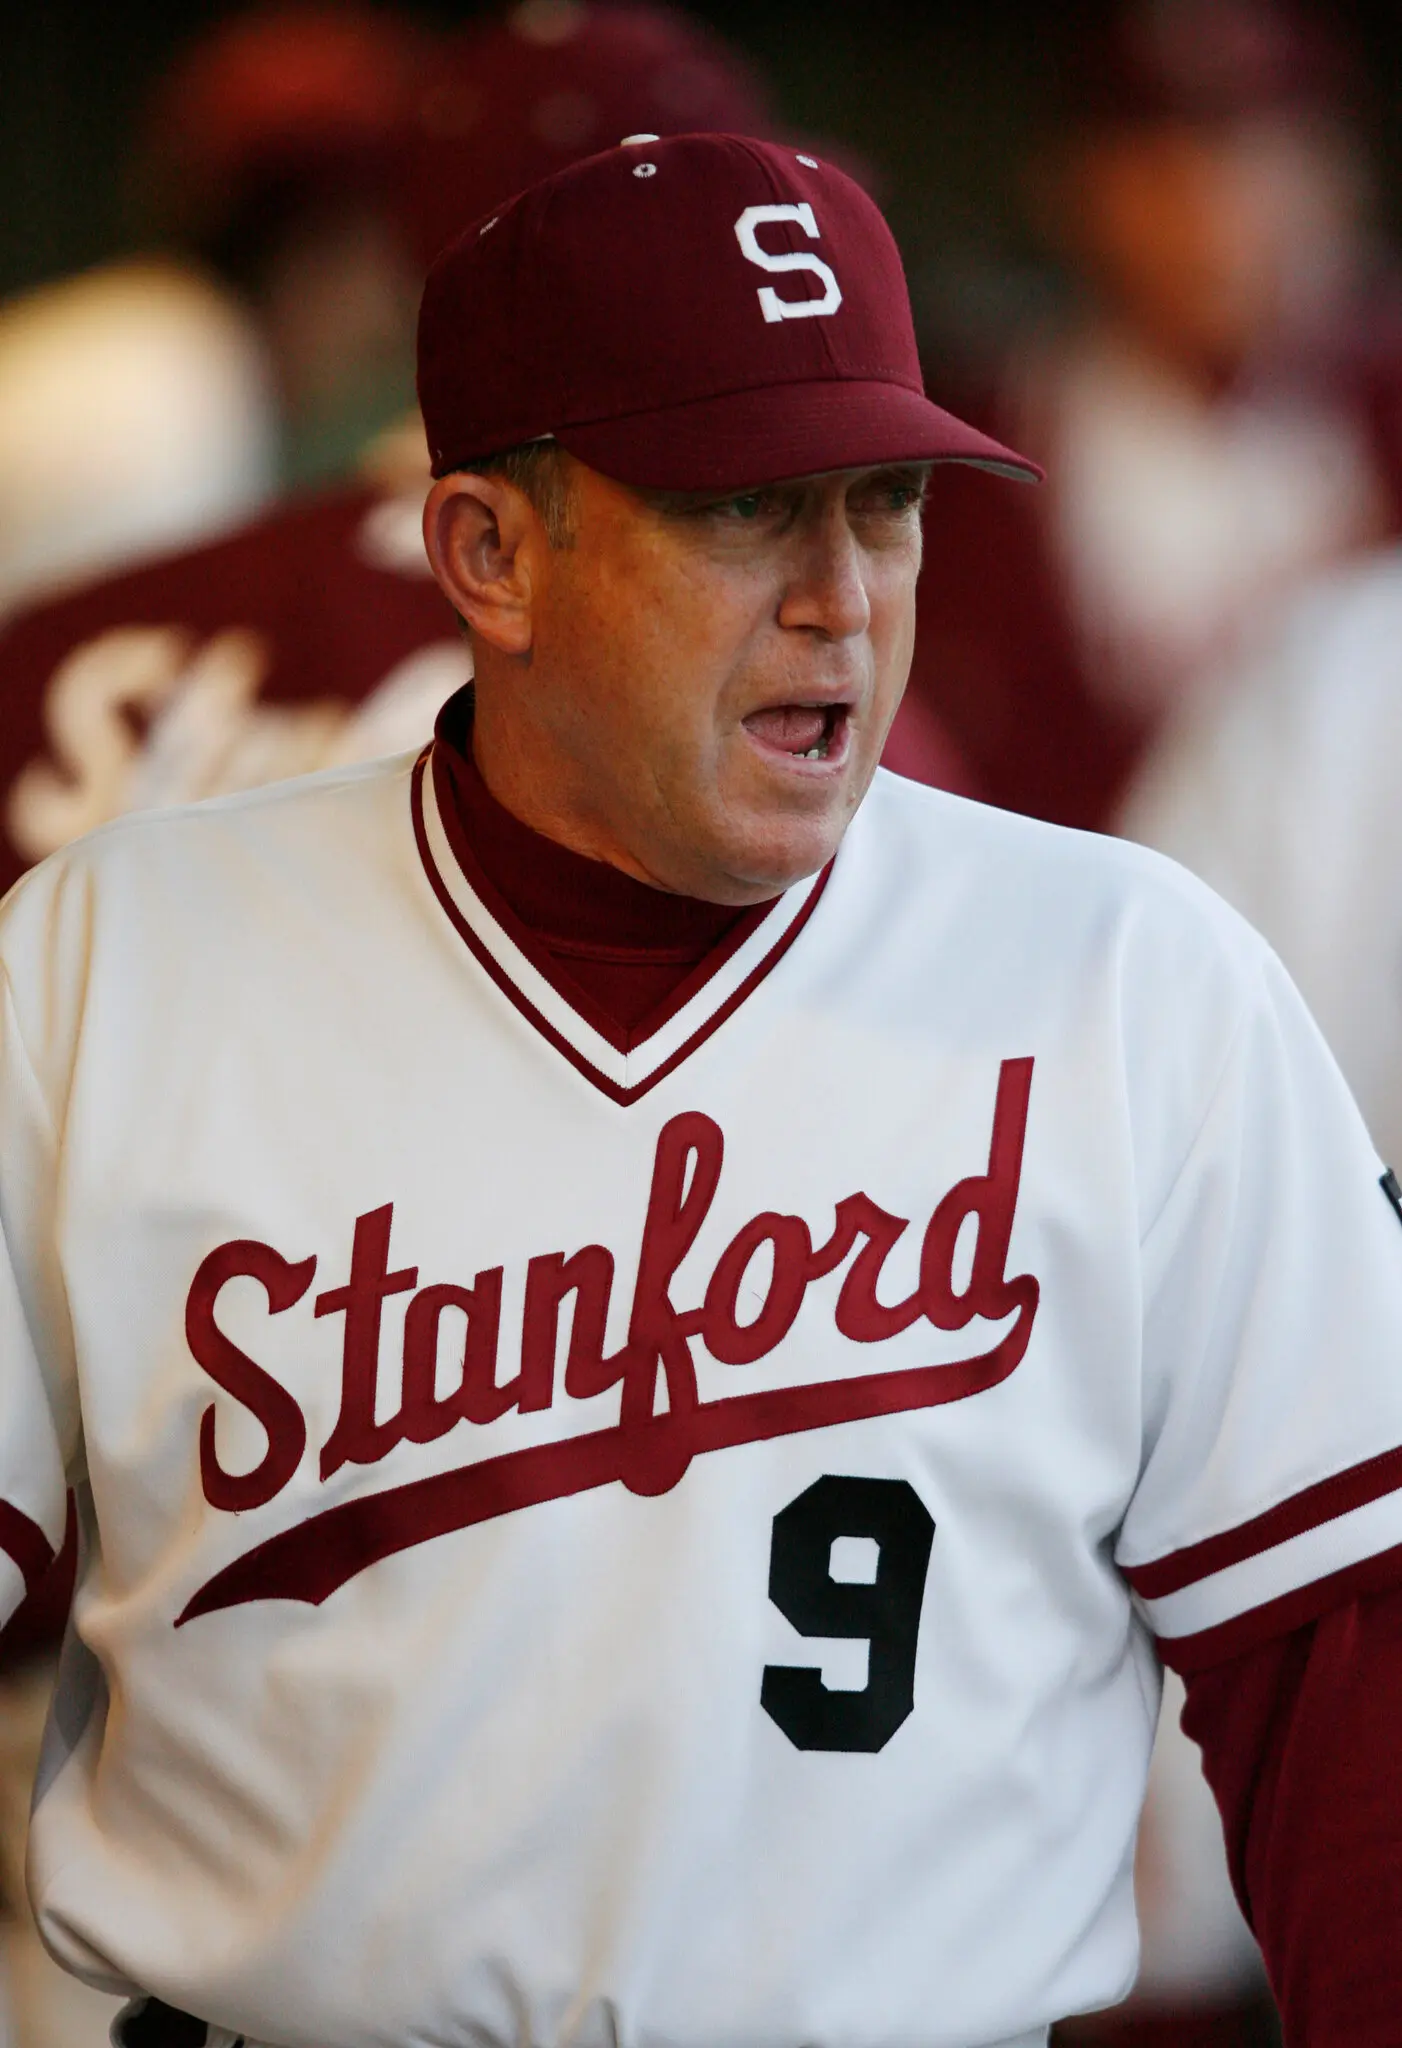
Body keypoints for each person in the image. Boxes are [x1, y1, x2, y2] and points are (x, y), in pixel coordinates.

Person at [2, 132, 1400, 2048]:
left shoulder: (1136, 985)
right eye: (742, 507)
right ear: (489, 554)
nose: (842, 597)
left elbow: (1351, 1693)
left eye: (885, 502)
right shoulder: (108, 965)